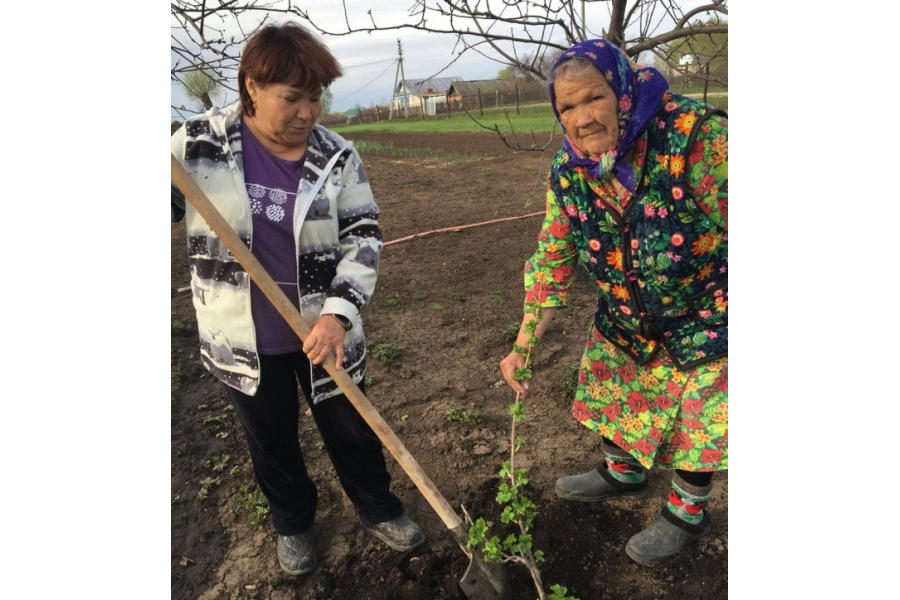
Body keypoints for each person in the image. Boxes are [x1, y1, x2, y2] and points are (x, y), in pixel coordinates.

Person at [171, 22, 425, 576]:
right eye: (294, 98)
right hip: (242, 338)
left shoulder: (337, 156)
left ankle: (377, 509)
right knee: (271, 439)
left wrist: (338, 314)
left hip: (323, 332)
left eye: (316, 98)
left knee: (352, 430)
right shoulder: (197, 144)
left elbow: (363, 236)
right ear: (252, 87)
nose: (308, 112)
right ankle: (292, 522)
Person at [499, 39, 727, 567]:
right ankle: (622, 472)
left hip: (704, 308)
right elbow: (554, 256)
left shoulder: (694, 137)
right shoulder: (571, 169)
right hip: (627, 313)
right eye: (567, 108)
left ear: (621, 91)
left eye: (593, 98)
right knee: (616, 384)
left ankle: (688, 512)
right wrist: (524, 345)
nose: (582, 119)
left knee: (700, 418)